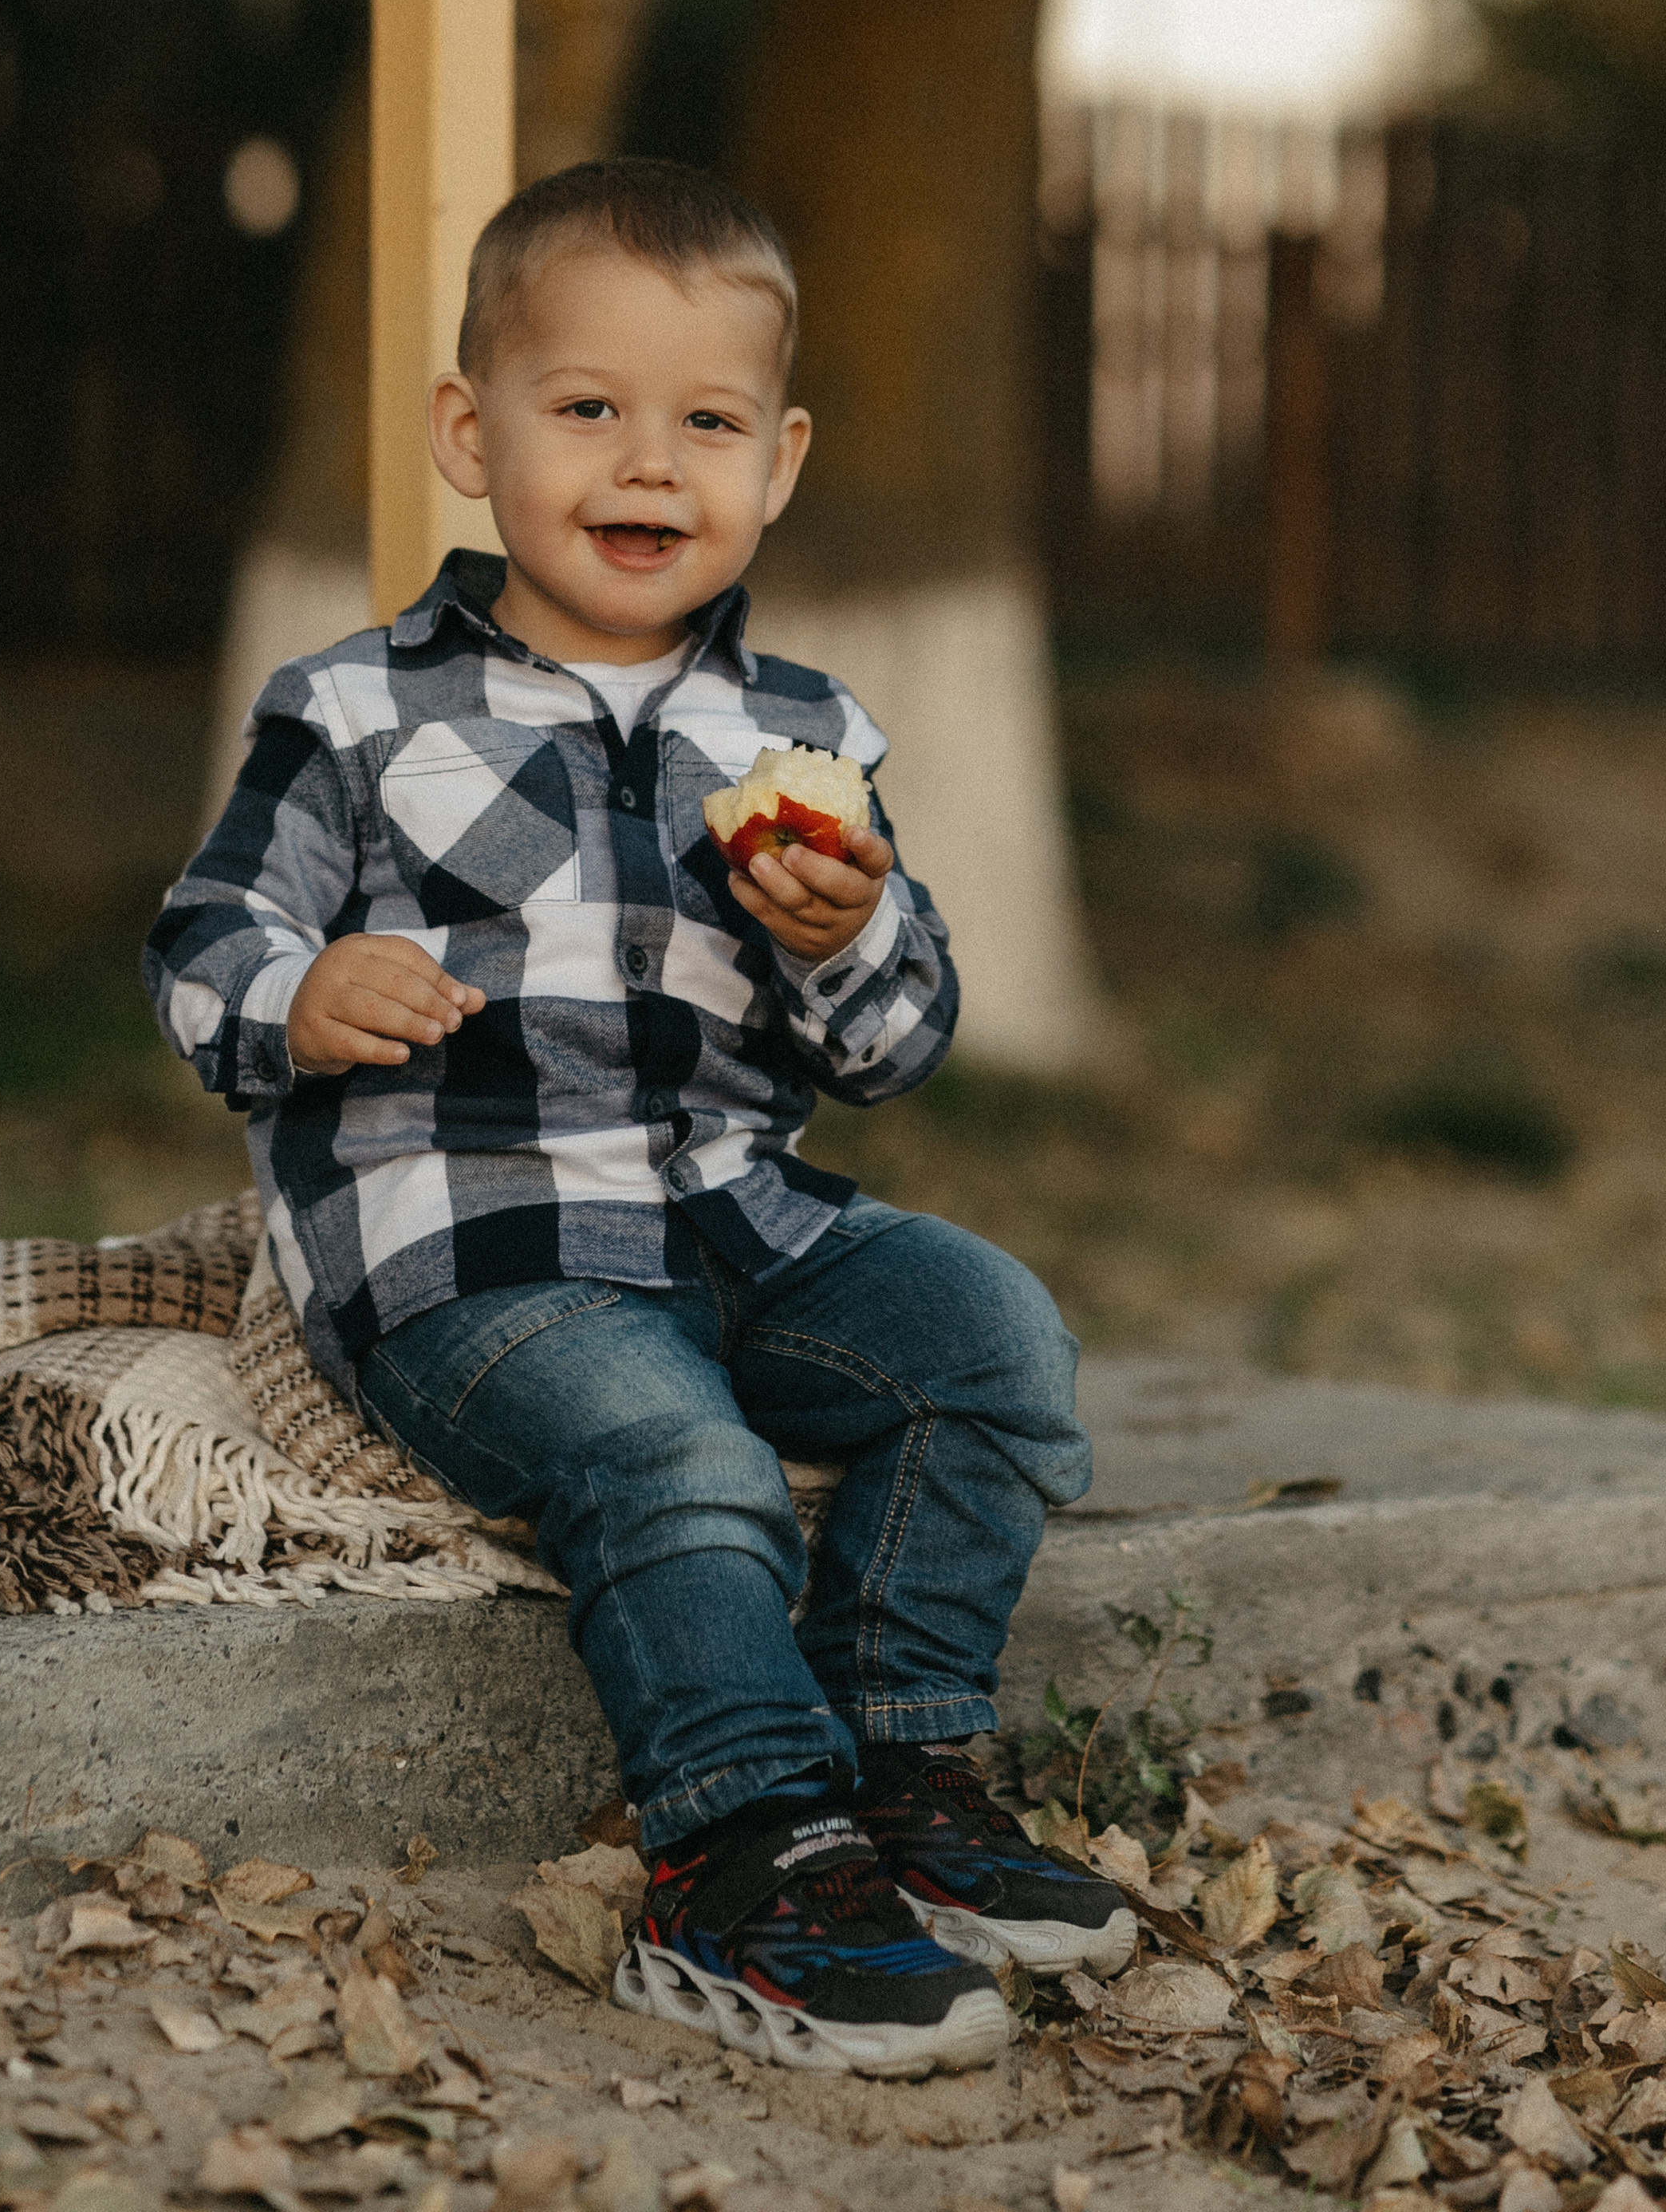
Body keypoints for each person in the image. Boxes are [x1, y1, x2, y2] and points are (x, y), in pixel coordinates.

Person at [145, 159, 1135, 2079]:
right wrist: (298, 995)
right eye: (584, 409)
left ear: (778, 463)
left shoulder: (808, 733)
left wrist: (849, 938)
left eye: (703, 425)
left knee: (990, 1341)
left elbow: (899, 1042)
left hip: (733, 1213)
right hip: (472, 1237)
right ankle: (741, 1854)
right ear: (469, 430)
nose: (644, 467)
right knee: (679, 1456)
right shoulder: (351, 710)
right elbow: (206, 944)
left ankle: (897, 1768)